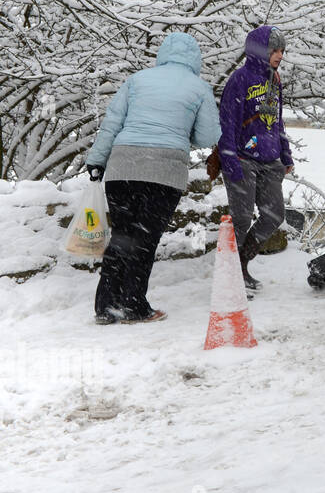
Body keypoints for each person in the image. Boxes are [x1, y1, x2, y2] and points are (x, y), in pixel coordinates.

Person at [85, 32, 221, 324]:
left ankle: (106, 307)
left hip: (123, 167)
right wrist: (182, 135)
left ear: (163, 54)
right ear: (195, 59)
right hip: (164, 171)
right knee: (145, 238)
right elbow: (209, 135)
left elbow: (111, 125)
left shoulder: (137, 80)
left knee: (122, 234)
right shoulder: (199, 88)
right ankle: (134, 306)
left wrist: (97, 160)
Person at [219, 25, 294, 293]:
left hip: (270, 159)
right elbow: (228, 122)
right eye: (275, 49)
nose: (279, 55)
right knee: (241, 218)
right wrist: (229, 160)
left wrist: (285, 153)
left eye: (282, 50)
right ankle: (234, 275)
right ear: (260, 49)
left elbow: (277, 121)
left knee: (274, 215)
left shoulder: (274, 80)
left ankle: (241, 262)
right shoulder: (240, 79)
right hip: (243, 157)